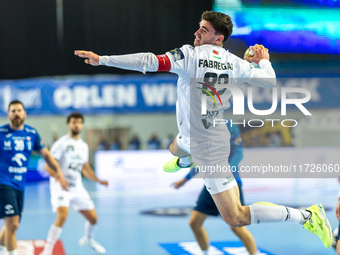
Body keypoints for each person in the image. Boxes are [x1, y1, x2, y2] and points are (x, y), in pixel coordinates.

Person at [74, 10, 332, 248]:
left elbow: (148, 61)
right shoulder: (234, 62)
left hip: (208, 147)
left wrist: (103, 60)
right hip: (200, 134)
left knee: (236, 217)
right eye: (199, 27)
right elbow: (269, 80)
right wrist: (263, 61)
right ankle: (184, 159)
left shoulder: (190, 55)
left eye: (204, 30)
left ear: (219, 38)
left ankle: (307, 216)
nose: (197, 32)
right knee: (175, 147)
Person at [171, 123, 261, 255]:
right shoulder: (202, 127)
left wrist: (224, 171)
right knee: (195, 223)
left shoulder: (229, 126)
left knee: (237, 226)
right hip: (211, 184)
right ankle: (205, 252)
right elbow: (203, 161)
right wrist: (185, 179)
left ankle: (254, 254)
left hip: (230, 182)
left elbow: (238, 153)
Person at [0, 100, 68, 255]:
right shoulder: (1, 132)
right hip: (3, 183)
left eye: (19, 110)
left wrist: (58, 172)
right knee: (12, 223)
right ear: (8, 114)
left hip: (19, 186)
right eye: (13, 111)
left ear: (24, 113)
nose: (16, 113)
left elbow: (46, 155)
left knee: (13, 224)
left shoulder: (32, 133)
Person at [40, 112, 108, 255]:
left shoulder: (83, 146)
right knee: (63, 216)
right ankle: (47, 250)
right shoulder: (61, 143)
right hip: (61, 186)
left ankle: (88, 240)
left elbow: (85, 168)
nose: (76, 124)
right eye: (73, 122)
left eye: (79, 122)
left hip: (77, 187)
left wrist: (99, 180)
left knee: (94, 219)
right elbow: (47, 167)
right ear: (68, 124)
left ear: (82, 125)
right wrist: (60, 179)